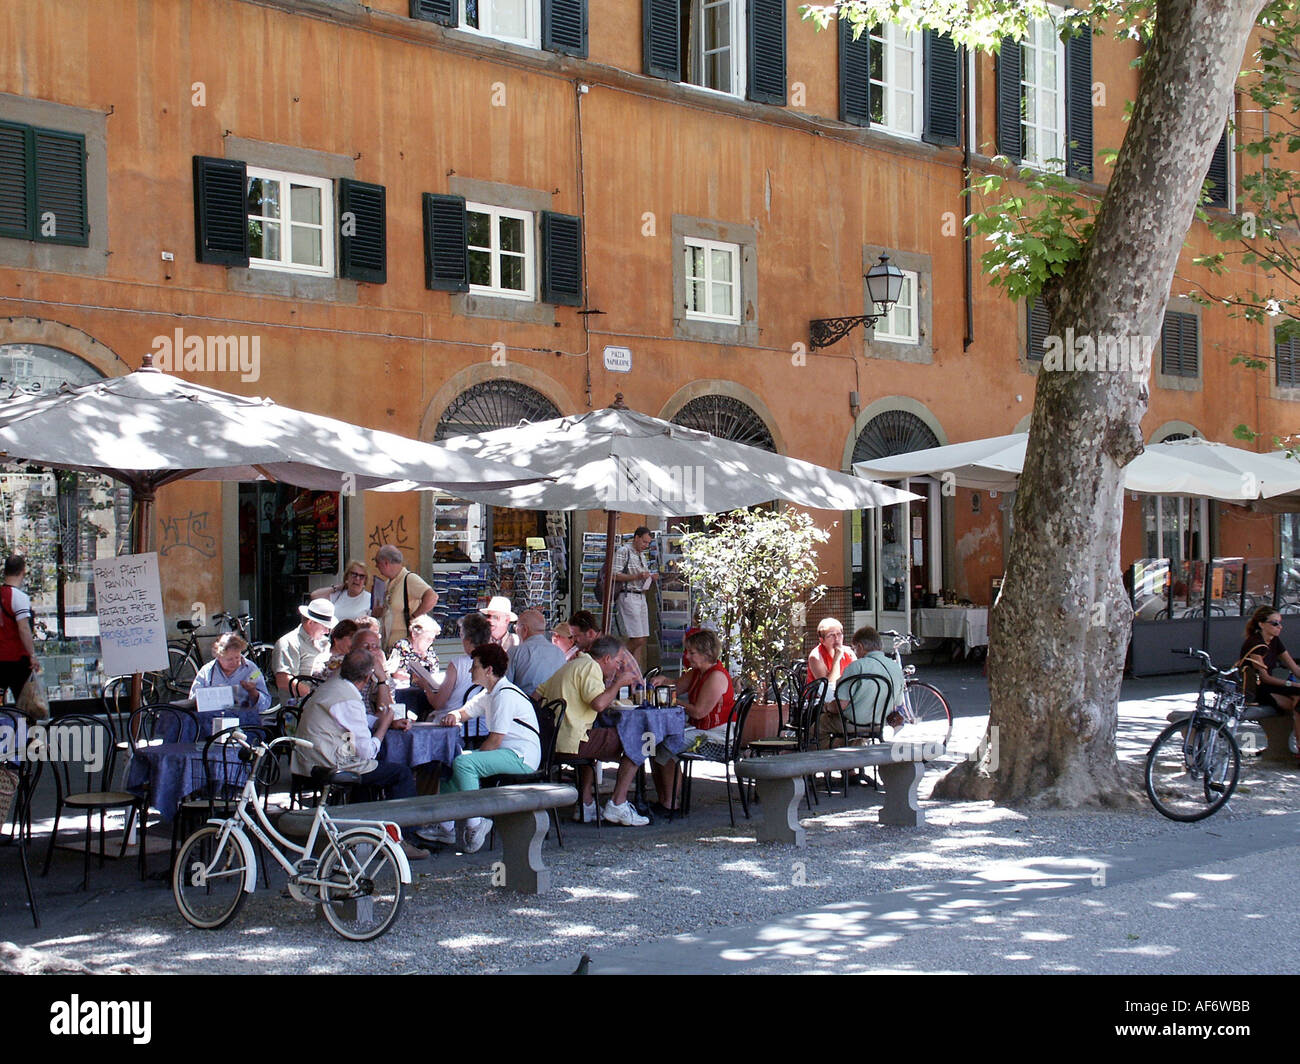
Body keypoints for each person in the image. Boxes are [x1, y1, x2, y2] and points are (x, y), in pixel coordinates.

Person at [289, 648, 424, 860]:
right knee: (401, 774)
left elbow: (351, 719)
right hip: (328, 763)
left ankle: (363, 837)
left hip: (308, 760)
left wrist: (385, 723)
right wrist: (385, 725)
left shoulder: (333, 686)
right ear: (368, 676)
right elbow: (367, 752)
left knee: (368, 778)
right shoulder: (348, 697)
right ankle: (401, 840)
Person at [416, 644, 542, 852]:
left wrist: (471, 761)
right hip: (508, 752)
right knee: (451, 764)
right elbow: (465, 712)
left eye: (474, 666)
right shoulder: (490, 693)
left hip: (522, 756)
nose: (469, 671)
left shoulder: (504, 695)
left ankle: (476, 823)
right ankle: (446, 827)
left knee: (464, 763)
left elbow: (495, 741)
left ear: (489, 670)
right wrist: (453, 716)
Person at [537, 634, 647, 826]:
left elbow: (536, 694)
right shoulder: (590, 667)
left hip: (552, 740)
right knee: (643, 739)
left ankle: (586, 803)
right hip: (572, 741)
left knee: (599, 733)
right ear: (606, 659)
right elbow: (599, 703)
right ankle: (618, 804)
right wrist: (618, 683)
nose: (618, 667)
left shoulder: (571, 664)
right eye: (618, 662)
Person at [648, 629, 734, 816]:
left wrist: (672, 700)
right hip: (703, 729)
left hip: (718, 736)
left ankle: (670, 803)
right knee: (653, 745)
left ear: (706, 653)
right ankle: (665, 798)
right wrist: (664, 681)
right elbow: (676, 686)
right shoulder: (698, 672)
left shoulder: (716, 676)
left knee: (665, 746)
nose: (687, 656)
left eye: (692, 653)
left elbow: (699, 711)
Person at [822, 626, 906, 745]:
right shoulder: (895, 667)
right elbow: (897, 703)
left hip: (852, 723)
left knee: (818, 726)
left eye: (855, 648)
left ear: (860, 647)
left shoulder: (856, 667)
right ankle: (851, 751)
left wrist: (826, 707)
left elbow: (841, 705)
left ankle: (822, 760)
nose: (855, 652)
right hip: (879, 724)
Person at [1240, 606, 1300, 762]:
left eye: (1280, 623)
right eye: (1275, 623)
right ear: (1261, 624)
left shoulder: (1275, 640)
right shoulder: (1255, 643)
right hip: (1256, 689)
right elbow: (1265, 678)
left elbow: (1294, 668)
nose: (1280, 627)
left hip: (1270, 687)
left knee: (1299, 702)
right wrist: (1293, 685)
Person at [416, 612, 494, 720]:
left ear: (468, 639)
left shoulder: (457, 664)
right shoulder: (494, 663)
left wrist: (425, 686)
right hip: (482, 727)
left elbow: (438, 703)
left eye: (461, 635)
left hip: (452, 725)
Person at [374, 545, 437, 651]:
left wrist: (414, 617)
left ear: (386, 563)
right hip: (390, 645)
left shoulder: (409, 579)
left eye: (377, 563)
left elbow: (432, 597)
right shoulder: (389, 583)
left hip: (406, 647)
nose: (376, 566)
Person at [612, 527, 658, 670]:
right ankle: (614, 658)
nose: (645, 545)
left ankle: (635, 673)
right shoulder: (624, 551)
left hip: (641, 595)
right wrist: (636, 577)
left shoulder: (641, 555)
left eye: (648, 543)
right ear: (636, 538)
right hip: (628, 595)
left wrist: (650, 577)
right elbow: (614, 575)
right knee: (637, 639)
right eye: (644, 542)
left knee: (642, 638)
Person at [189, 633, 271, 712]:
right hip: (213, 719)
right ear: (218, 656)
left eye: (237, 657)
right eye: (229, 659)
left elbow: (266, 704)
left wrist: (253, 691)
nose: (235, 662)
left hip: (243, 720)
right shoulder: (207, 671)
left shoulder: (252, 669)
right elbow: (193, 701)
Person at [273, 599, 336, 699]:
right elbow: (283, 680)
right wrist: (316, 696)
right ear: (310, 622)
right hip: (300, 707)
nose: (327, 631)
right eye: (324, 626)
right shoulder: (289, 642)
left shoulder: (324, 642)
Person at [0, 555, 40, 705]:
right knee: (24, 704)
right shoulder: (19, 597)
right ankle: (24, 728)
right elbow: (23, 628)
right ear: (23, 572)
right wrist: (32, 655)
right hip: (17, 660)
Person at [568, 610, 643, 689]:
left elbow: (602, 690)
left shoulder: (610, 650)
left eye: (576, 636)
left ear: (590, 633)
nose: (573, 640)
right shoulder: (583, 649)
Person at [506, 608, 567, 697]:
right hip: (552, 707)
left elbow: (505, 687)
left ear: (525, 629)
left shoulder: (515, 652)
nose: (516, 631)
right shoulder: (559, 653)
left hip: (524, 707)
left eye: (516, 628)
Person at [389, 615, 442, 716]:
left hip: (426, 691)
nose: (430, 643)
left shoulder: (429, 651)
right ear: (414, 635)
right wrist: (413, 678)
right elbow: (396, 673)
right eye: (427, 639)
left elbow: (435, 672)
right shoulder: (402, 646)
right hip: (405, 693)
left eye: (432, 639)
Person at [807, 617, 855, 702]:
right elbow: (827, 687)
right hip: (819, 702)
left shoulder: (849, 652)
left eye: (839, 634)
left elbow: (857, 677)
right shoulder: (816, 656)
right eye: (831, 635)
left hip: (844, 697)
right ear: (822, 640)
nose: (836, 638)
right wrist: (836, 659)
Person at [308, 559, 374, 621]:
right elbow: (314, 596)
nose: (357, 578)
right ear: (347, 576)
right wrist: (337, 587)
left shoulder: (370, 599)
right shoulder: (339, 594)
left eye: (361, 576)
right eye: (354, 574)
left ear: (365, 580)